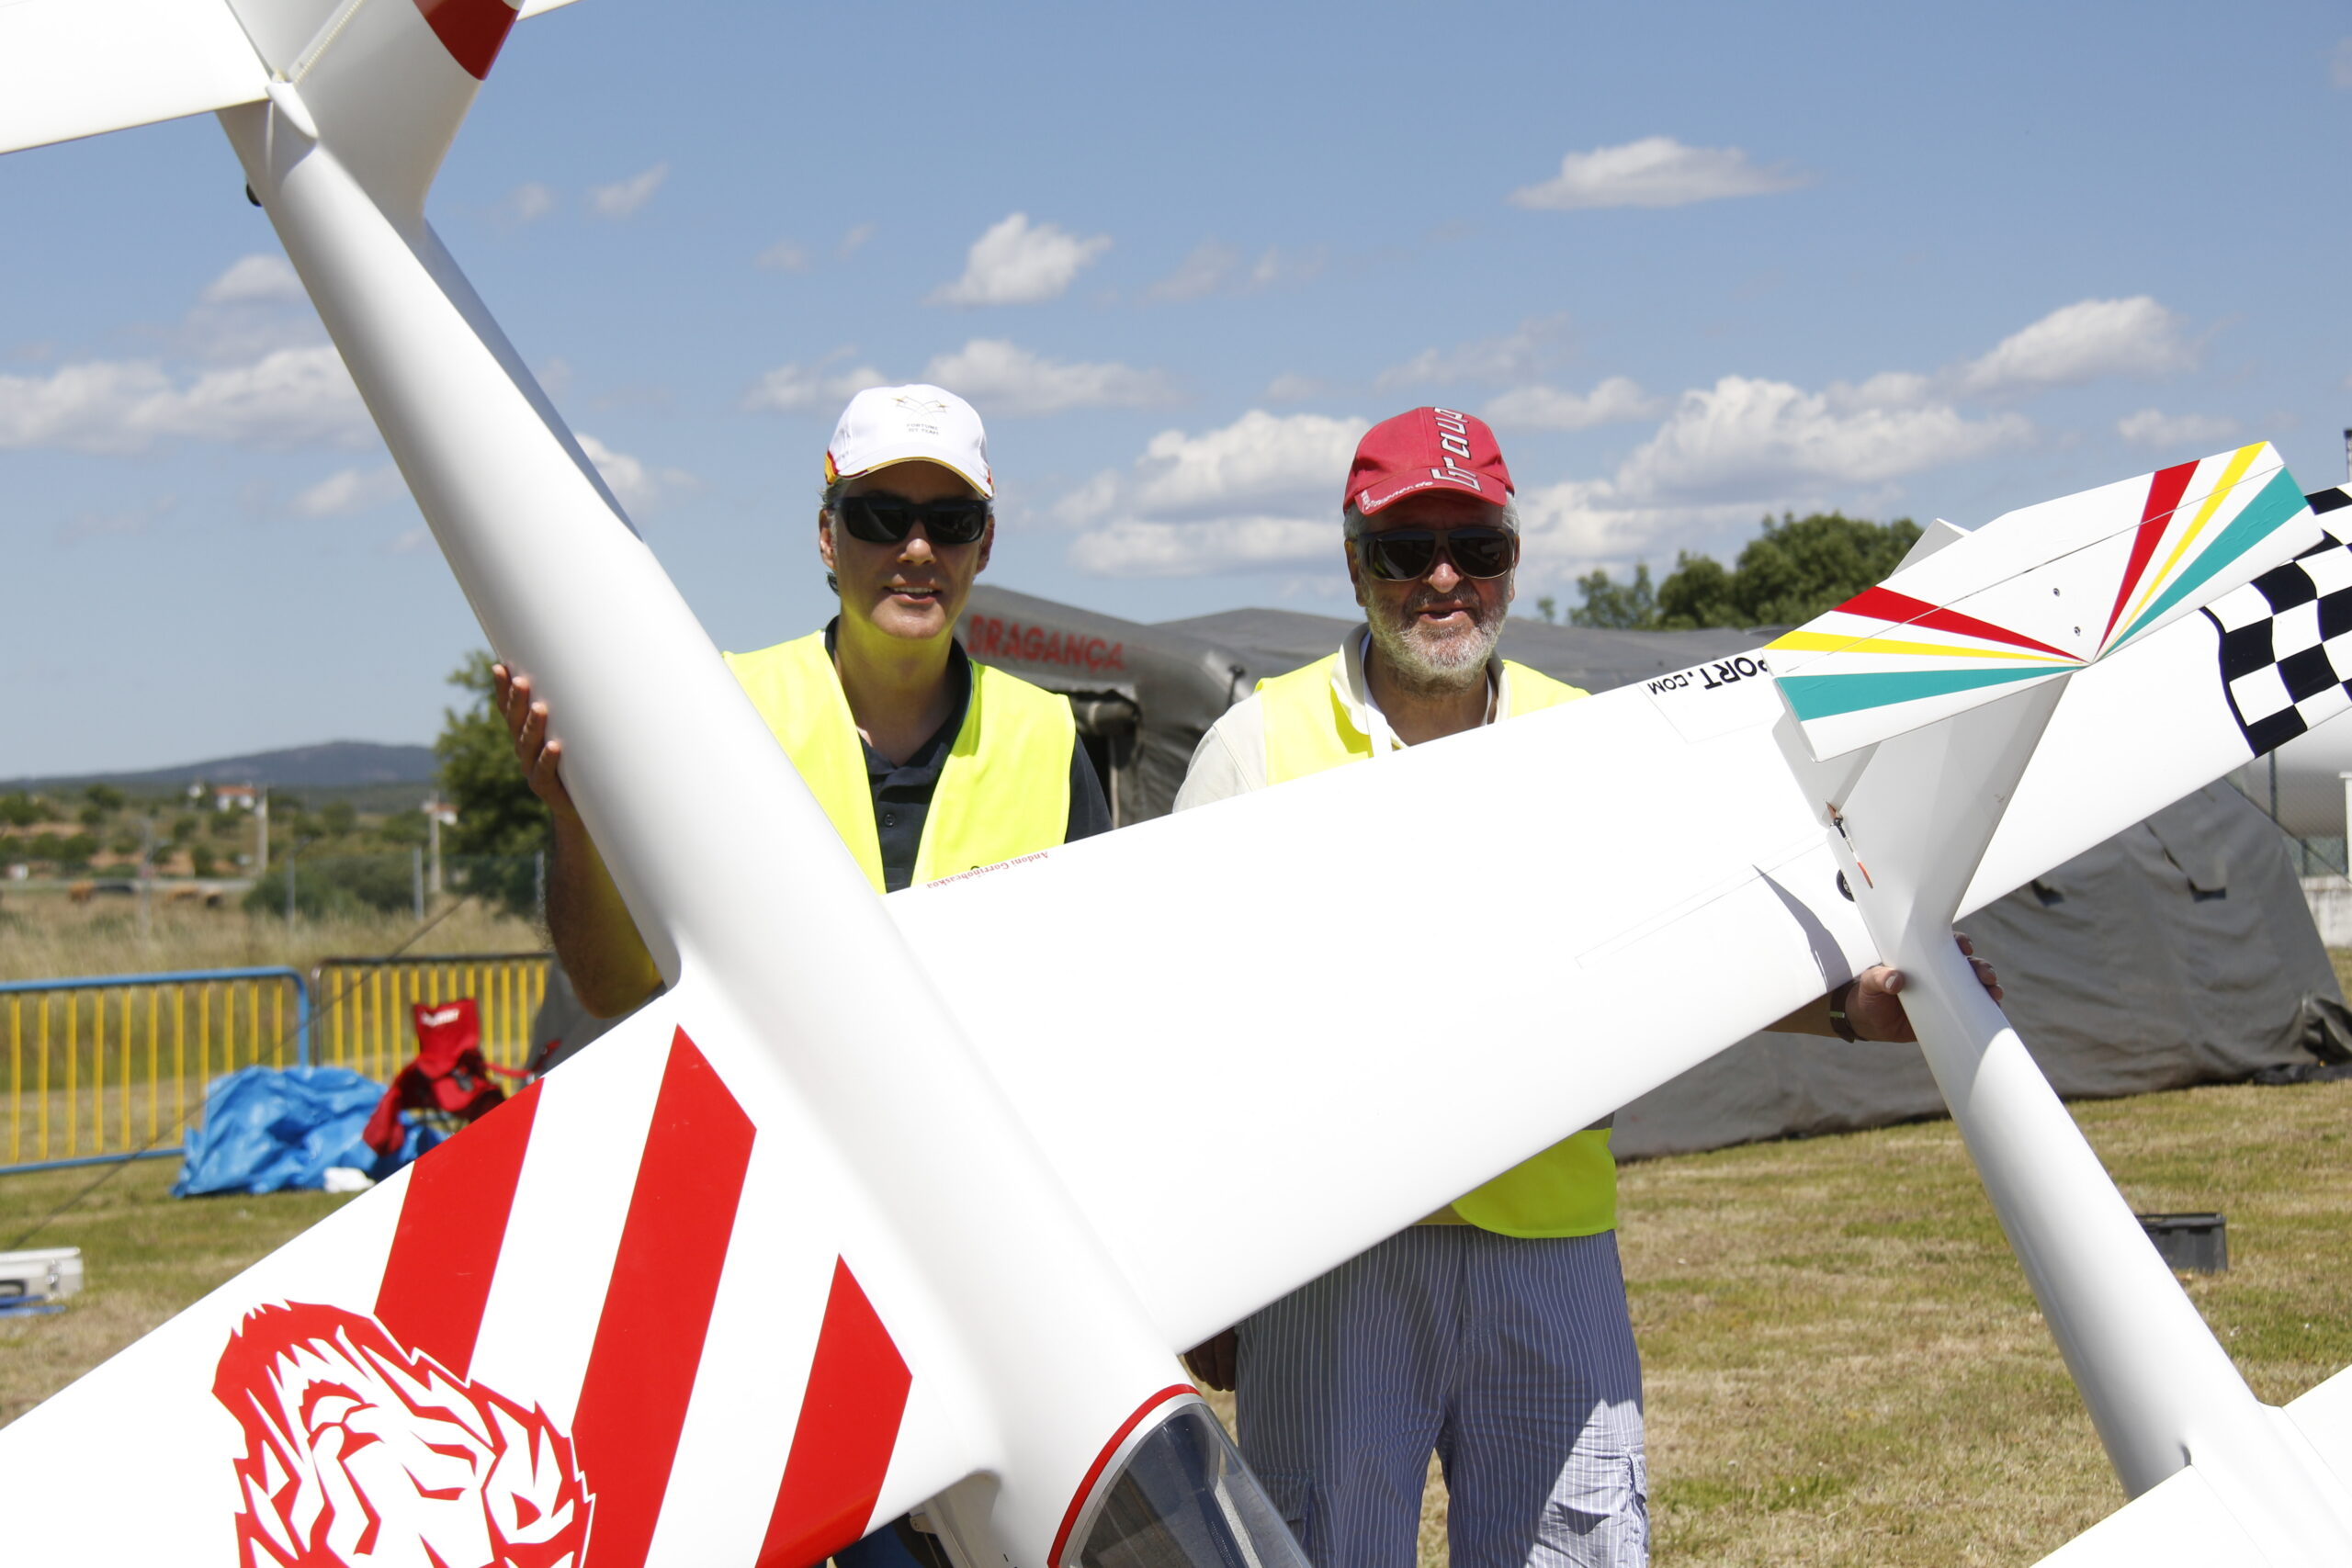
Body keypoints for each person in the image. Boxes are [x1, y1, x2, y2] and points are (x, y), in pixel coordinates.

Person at [1172, 406, 1999, 1568]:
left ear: (1515, 561)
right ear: (1355, 561)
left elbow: (1690, 947)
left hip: (1550, 1242)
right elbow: (1184, 1029)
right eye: (1408, 551)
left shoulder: (1592, 740)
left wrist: (1849, 1009)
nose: (1444, 580)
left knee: (1578, 1548)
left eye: (1479, 548)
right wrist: (1202, 1278)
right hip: (1333, 1259)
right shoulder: (1254, 748)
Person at [493, 382, 1109, 1568]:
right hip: (762, 1279)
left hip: (979, 1281)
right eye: (882, 515)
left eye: (950, 520)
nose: (916, 548)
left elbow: (1090, 1028)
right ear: (826, 536)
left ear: (987, 544)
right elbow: (615, 981)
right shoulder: (718, 704)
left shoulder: (1049, 738)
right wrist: (576, 823)